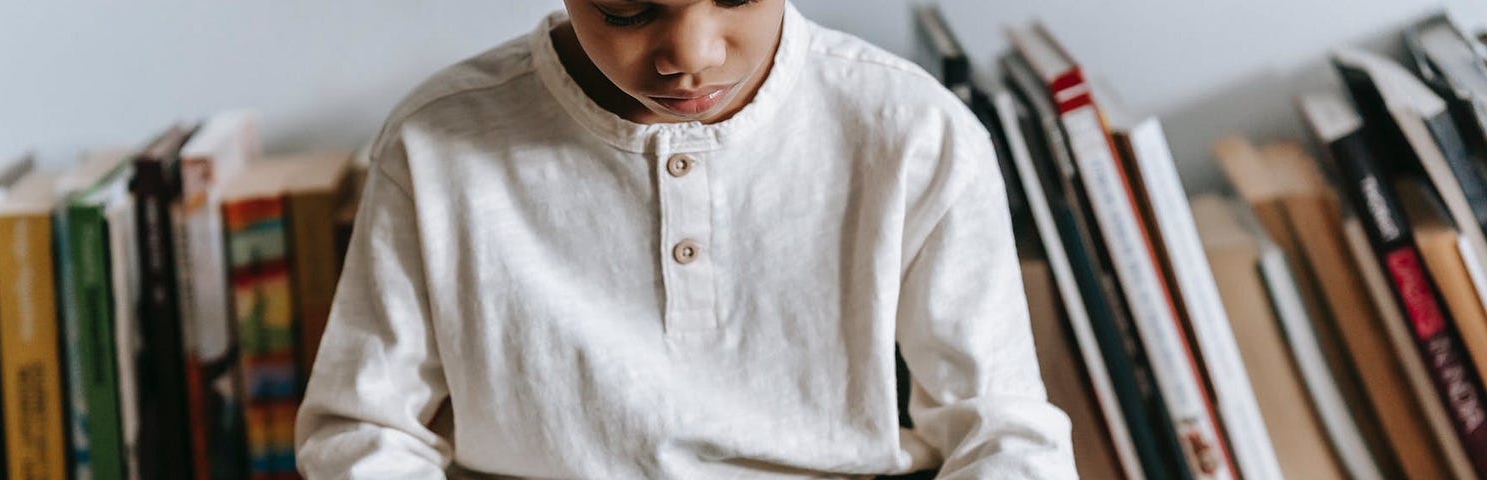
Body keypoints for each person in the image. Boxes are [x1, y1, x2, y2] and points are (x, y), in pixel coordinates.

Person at [294, 1, 1076, 478]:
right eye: (630, 11)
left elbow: (1000, 431)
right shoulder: (438, 141)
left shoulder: (915, 133)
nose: (691, 56)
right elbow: (362, 431)